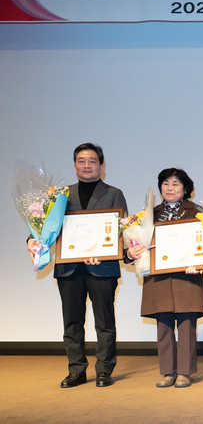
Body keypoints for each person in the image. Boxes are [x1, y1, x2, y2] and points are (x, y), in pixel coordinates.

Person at [27, 143, 128, 388]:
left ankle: (104, 370)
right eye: (81, 161)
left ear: (101, 165)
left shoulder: (114, 194)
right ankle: (76, 370)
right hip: (69, 269)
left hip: (102, 268)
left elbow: (122, 230)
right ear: (74, 166)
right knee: (72, 322)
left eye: (92, 161)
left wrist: (105, 252)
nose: (86, 165)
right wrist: (31, 239)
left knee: (104, 322)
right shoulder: (60, 195)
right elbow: (45, 226)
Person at [127, 168, 203, 388]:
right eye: (166, 183)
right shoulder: (148, 215)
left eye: (175, 184)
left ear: (185, 188)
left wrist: (200, 264)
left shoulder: (197, 212)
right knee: (164, 327)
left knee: (187, 326)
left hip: (187, 277)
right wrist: (130, 253)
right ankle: (168, 372)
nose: (170, 188)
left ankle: (185, 372)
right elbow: (134, 246)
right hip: (158, 279)